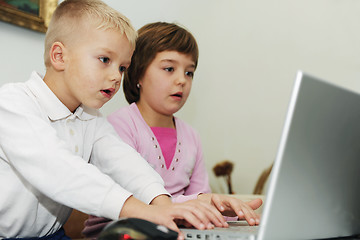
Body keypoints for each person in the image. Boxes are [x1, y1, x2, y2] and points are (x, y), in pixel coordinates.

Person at [0, 2, 229, 240]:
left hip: (52, 236)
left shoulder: (90, 118)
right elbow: (59, 169)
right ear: (59, 56)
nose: (116, 76)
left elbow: (125, 163)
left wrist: (162, 204)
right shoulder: (12, 104)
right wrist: (142, 211)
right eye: (104, 60)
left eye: (122, 67)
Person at [82, 22, 262, 237]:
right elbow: (134, 203)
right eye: (169, 69)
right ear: (138, 73)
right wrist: (199, 203)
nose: (181, 80)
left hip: (176, 228)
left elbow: (200, 197)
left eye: (189, 72)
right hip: (120, 230)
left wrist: (224, 209)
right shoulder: (117, 126)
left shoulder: (191, 136)